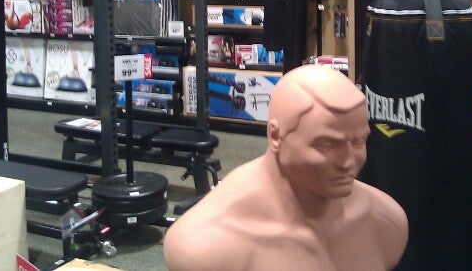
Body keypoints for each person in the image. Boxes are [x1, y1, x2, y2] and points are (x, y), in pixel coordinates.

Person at [163, 64, 408, 271]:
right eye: (327, 145)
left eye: (358, 142)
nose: (348, 162)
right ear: (275, 137)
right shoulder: (207, 247)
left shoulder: (385, 223)